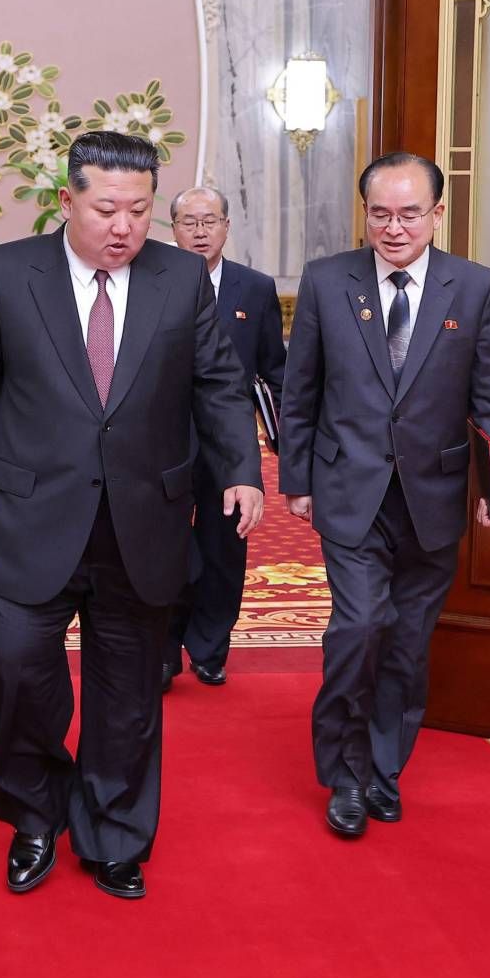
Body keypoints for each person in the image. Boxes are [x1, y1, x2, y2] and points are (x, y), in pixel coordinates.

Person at [0, 132, 263, 900]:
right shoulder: (10, 271)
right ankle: (36, 813)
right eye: (106, 208)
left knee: (129, 688)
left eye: (139, 210)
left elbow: (218, 385)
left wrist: (242, 470)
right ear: (67, 201)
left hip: (144, 517)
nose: (124, 226)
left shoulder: (179, 276)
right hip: (30, 514)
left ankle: (114, 831)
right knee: (15, 670)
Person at [279, 151, 490, 840]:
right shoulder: (328, 281)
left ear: (437, 214)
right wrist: (297, 479)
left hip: (433, 495)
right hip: (349, 489)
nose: (394, 228)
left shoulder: (472, 287)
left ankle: (384, 771)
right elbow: (301, 390)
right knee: (358, 629)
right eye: (380, 214)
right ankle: (346, 775)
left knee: (408, 643)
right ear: (365, 213)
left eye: (409, 214)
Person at [165, 185, 286, 689]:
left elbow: (274, 370)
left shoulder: (254, 289)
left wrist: (284, 440)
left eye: (209, 221)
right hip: (163, 441)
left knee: (224, 548)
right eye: (189, 222)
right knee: (166, 548)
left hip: (228, 444)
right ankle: (164, 648)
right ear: (173, 229)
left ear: (227, 226)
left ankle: (210, 647)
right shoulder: (153, 281)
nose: (200, 231)